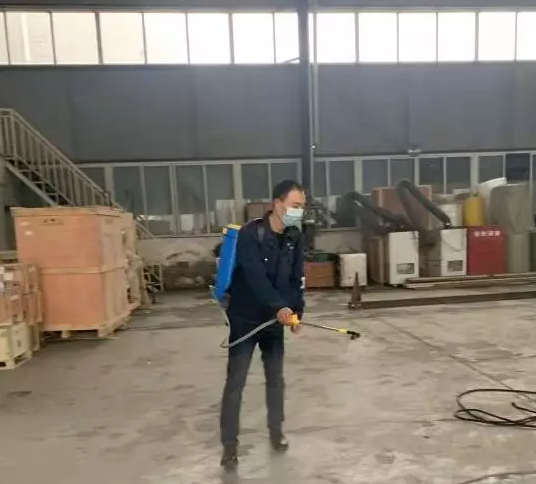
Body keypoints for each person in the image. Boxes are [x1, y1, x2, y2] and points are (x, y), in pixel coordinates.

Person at [219, 180, 306, 471]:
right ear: (278, 204)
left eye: (302, 206)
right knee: (236, 383)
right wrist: (279, 306)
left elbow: (296, 279)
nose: (299, 211)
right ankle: (230, 446)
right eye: (295, 206)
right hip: (245, 320)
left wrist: (296, 312)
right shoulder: (250, 234)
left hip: (274, 322)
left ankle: (276, 431)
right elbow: (255, 276)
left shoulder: (294, 237)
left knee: (275, 379)